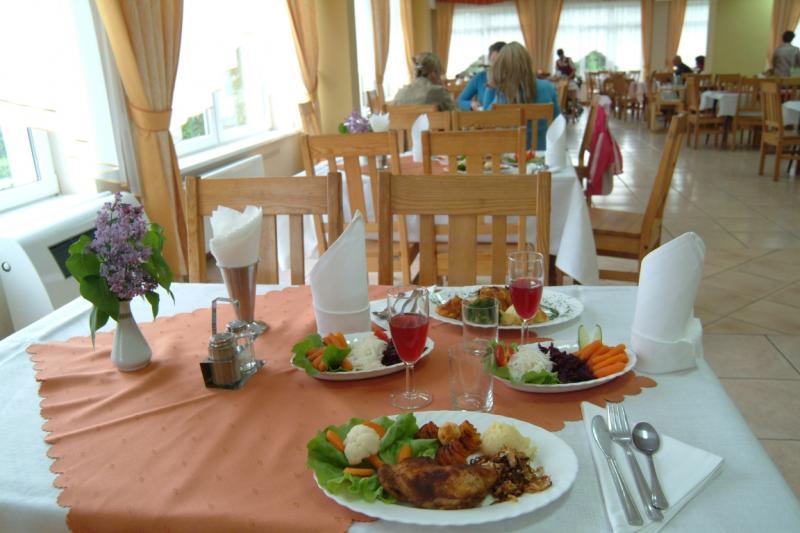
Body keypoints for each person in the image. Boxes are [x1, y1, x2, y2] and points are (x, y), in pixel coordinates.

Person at [487, 42, 561, 151]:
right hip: (543, 155)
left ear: (502, 67)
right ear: (528, 63)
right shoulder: (547, 87)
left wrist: (490, 86)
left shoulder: (503, 94)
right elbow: (558, 124)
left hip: (510, 157)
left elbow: (486, 122)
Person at [457, 41, 505, 111]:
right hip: (483, 116)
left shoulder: (511, 80)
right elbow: (460, 101)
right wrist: (471, 104)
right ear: (489, 60)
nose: (495, 65)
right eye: (493, 61)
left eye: (499, 62)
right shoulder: (480, 77)